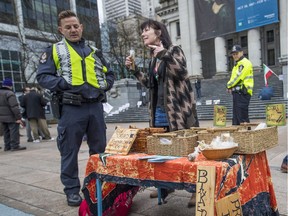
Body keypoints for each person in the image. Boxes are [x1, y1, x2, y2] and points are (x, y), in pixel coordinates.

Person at [36, 10, 114, 207]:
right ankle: (71, 191)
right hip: (71, 108)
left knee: (99, 151)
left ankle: (98, 186)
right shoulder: (54, 50)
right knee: (69, 152)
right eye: (68, 27)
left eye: (75, 26)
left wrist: (105, 85)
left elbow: (110, 73)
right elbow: (43, 77)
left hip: (95, 107)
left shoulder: (94, 50)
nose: (73, 30)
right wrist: (63, 84)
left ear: (81, 27)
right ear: (60, 30)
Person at [125, 19, 199, 208]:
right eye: (142, 31)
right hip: (158, 111)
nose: (143, 34)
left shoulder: (174, 50)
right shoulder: (153, 58)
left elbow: (181, 72)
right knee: (162, 152)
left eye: (146, 30)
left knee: (185, 151)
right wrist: (134, 70)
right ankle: (166, 186)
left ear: (159, 32)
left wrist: (165, 55)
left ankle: (196, 189)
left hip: (178, 111)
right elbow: (150, 83)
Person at [227, 45, 254, 125]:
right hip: (238, 93)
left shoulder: (244, 63)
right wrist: (231, 86)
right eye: (233, 54)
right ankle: (239, 135)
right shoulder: (238, 64)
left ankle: (246, 135)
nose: (234, 55)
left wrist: (228, 85)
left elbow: (238, 77)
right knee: (236, 118)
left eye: (236, 53)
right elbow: (234, 78)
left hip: (243, 92)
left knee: (242, 117)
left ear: (242, 52)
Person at [0, 78, 26, 151]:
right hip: (11, 117)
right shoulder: (10, 93)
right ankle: (15, 146)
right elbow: (14, 106)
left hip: (2, 117)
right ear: (10, 85)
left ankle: (7, 146)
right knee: (14, 131)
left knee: (6, 132)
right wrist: (18, 117)